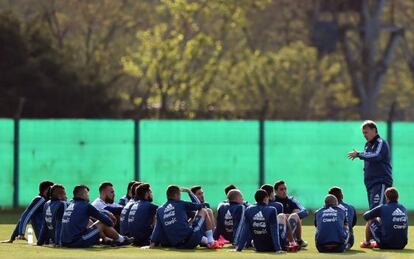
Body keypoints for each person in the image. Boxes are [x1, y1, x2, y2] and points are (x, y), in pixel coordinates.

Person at [147, 185, 221, 249]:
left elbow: (157, 228)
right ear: (176, 195)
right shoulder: (181, 203)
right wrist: (189, 192)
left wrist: (152, 244)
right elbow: (199, 205)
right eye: (179, 195)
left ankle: (207, 241)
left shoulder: (160, 209)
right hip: (190, 240)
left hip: (176, 245)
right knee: (204, 211)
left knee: (189, 227)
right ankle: (211, 242)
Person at [61, 185, 132, 247]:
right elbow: (105, 220)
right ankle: (122, 240)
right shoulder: (85, 205)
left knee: (89, 221)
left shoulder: (71, 204)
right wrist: (111, 222)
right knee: (101, 223)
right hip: (77, 242)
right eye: (87, 193)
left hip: (65, 241)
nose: (88, 195)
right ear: (83, 194)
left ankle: (106, 239)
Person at [347, 120, 392, 209]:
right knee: (373, 211)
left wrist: (359, 154)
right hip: (370, 183)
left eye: (366, 132)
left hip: (380, 181)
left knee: (377, 210)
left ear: (374, 130)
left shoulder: (380, 142)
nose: (364, 135)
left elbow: (376, 156)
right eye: (363, 133)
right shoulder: (367, 145)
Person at [236, 189, 285, 254]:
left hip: (258, 247)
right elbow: (274, 231)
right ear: (265, 198)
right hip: (272, 247)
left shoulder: (248, 210)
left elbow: (245, 231)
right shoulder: (272, 210)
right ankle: (293, 241)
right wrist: (278, 249)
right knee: (282, 216)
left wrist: (239, 248)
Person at [274, 180, 308, 247]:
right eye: (281, 189)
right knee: (282, 217)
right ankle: (283, 239)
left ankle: (298, 240)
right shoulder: (272, 201)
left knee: (295, 213)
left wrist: (289, 216)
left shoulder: (291, 200)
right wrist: (283, 217)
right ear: (275, 191)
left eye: (285, 189)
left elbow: (305, 212)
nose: (284, 191)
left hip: (290, 228)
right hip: (276, 229)